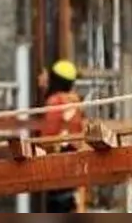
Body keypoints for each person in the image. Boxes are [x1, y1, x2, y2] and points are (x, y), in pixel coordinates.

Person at [41, 59, 84, 213]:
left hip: (57, 158)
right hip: (72, 159)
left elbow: (49, 133)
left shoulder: (55, 101)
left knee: (56, 204)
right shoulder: (75, 103)